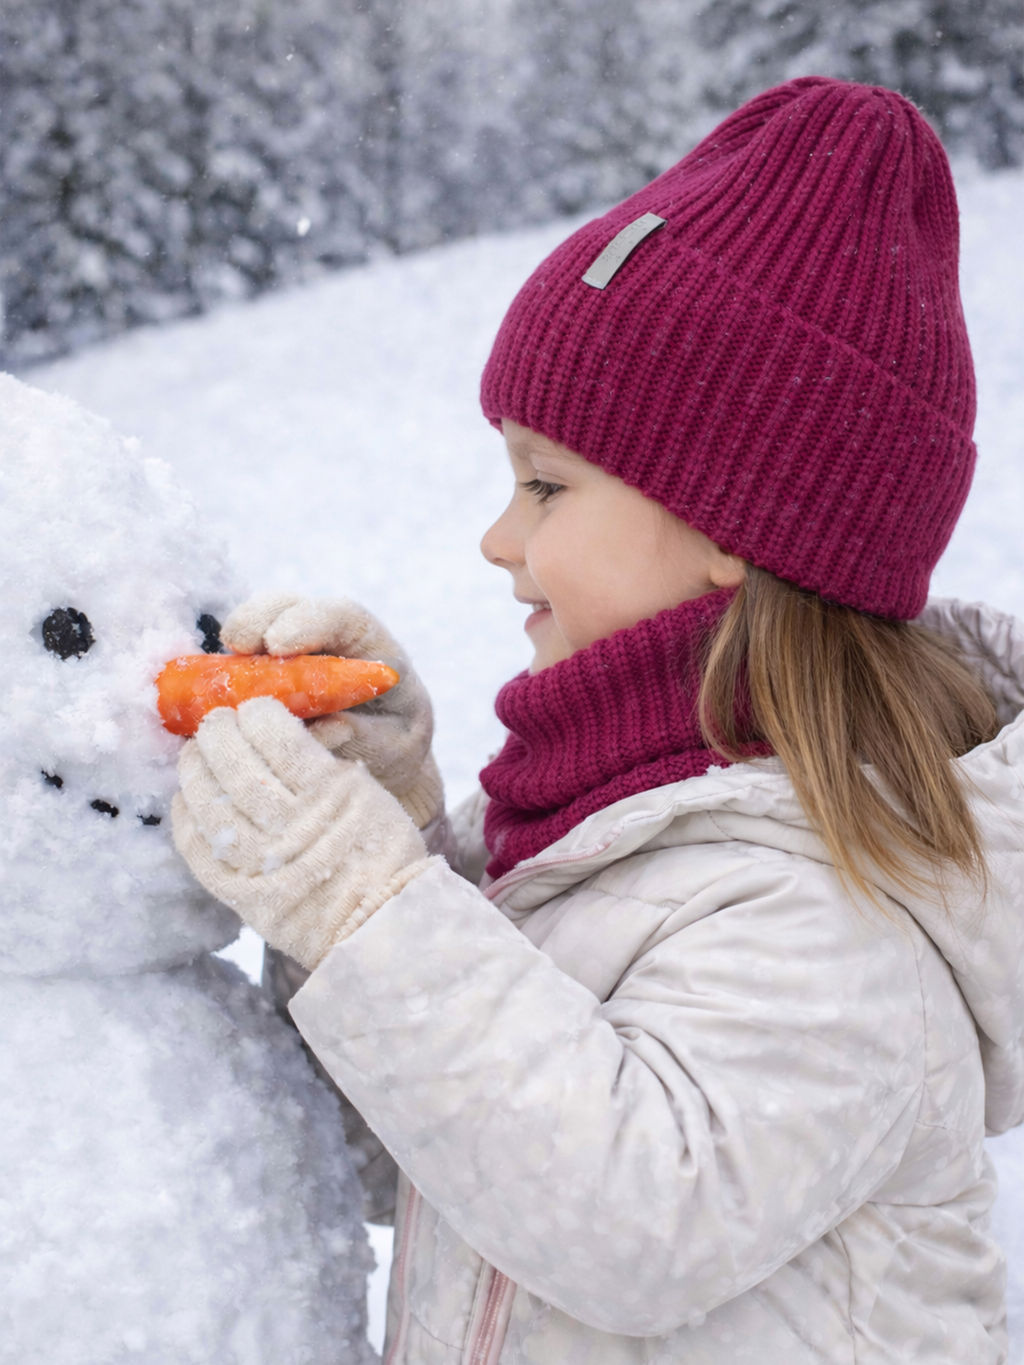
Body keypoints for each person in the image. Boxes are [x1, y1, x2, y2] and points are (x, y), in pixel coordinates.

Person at [171, 77, 1024, 1363]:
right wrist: (402, 837)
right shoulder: (590, 822)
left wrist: (363, 906)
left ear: (735, 526)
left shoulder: (842, 899)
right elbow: (418, 1147)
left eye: (546, 486)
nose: (497, 537)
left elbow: (633, 1222)